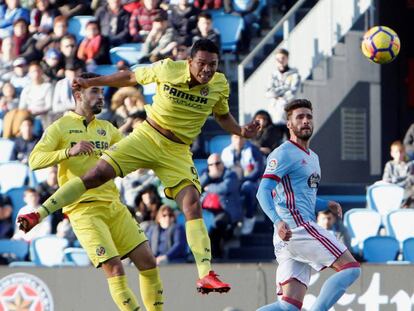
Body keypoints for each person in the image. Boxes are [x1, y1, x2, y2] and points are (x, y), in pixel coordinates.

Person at [18, 38, 260, 294]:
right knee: (96, 175)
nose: (207, 70)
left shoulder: (219, 85)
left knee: (192, 203)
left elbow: (222, 115)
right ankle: (38, 214)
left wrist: (242, 131)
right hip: (146, 136)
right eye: (202, 64)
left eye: (213, 65)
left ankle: (205, 274)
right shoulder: (168, 69)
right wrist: (93, 81)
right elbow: (131, 77)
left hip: (176, 151)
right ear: (189, 62)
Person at [21, 72, 164, 311]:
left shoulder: (107, 128)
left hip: (113, 205)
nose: (101, 97)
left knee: (148, 262)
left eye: (101, 91)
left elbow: (130, 155)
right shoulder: (61, 126)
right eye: (95, 91)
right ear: (78, 94)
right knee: (115, 268)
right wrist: (68, 152)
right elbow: (35, 160)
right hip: (83, 211)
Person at [256, 99, 360, 311]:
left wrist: (326, 203)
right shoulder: (283, 153)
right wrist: (277, 221)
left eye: (309, 117)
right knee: (351, 269)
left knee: (289, 307)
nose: (305, 121)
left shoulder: (313, 157)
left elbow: (304, 197)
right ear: (289, 124)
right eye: (300, 117)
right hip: (297, 229)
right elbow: (262, 191)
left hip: (289, 237)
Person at [199, 153, 242, 258]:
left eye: (217, 163)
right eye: (211, 165)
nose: (215, 167)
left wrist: (209, 188)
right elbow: (197, 186)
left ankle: (217, 255)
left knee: (217, 226)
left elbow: (225, 188)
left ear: (222, 164)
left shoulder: (231, 174)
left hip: (226, 210)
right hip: (208, 210)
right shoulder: (205, 174)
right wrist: (209, 176)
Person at [221, 134, 263, 235]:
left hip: (250, 181)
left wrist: (243, 179)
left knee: (248, 187)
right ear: (232, 138)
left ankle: (249, 217)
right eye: (236, 137)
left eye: (241, 137)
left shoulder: (253, 150)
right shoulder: (226, 152)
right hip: (233, 181)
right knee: (227, 188)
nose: (238, 140)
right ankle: (233, 221)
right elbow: (223, 171)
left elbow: (258, 170)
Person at [265, 48, 300, 128]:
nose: (280, 61)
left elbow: (292, 93)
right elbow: (268, 93)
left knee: (288, 139)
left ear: (287, 59)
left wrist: (277, 94)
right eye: (278, 59)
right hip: (273, 114)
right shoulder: (272, 75)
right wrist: (285, 88)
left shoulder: (295, 75)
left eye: (283, 58)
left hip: (288, 114)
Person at [382, 140, 414, 208]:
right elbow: (386, 180)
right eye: (396, 152)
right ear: (392, 153)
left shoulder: (410, 165)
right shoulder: (389, 165)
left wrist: (396, 180)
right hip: (392, 193)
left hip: (406, 194)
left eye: (401, 152)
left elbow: (411, 179)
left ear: (404, 153)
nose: (399, 154)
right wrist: (403, 180)